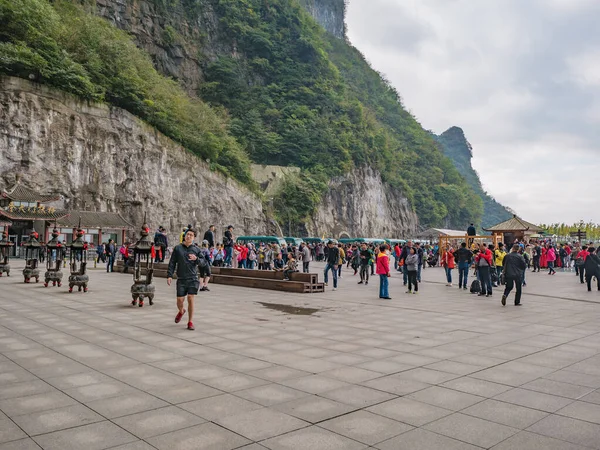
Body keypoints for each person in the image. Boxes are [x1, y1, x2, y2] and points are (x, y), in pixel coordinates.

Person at [167, 228, 203, 331]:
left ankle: (190, 322)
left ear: (194, 238)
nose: (189, 236)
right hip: (181, 278)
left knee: (191, 299)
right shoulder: (178, 248)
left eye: (191, 235)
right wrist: (169, 275)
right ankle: (181, 311)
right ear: (185, 235)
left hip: (192, 278)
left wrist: (196, 259)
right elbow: (172, 262)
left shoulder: (196, 250)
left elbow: (204, 263)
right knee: (180, 300)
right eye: (187, 234)